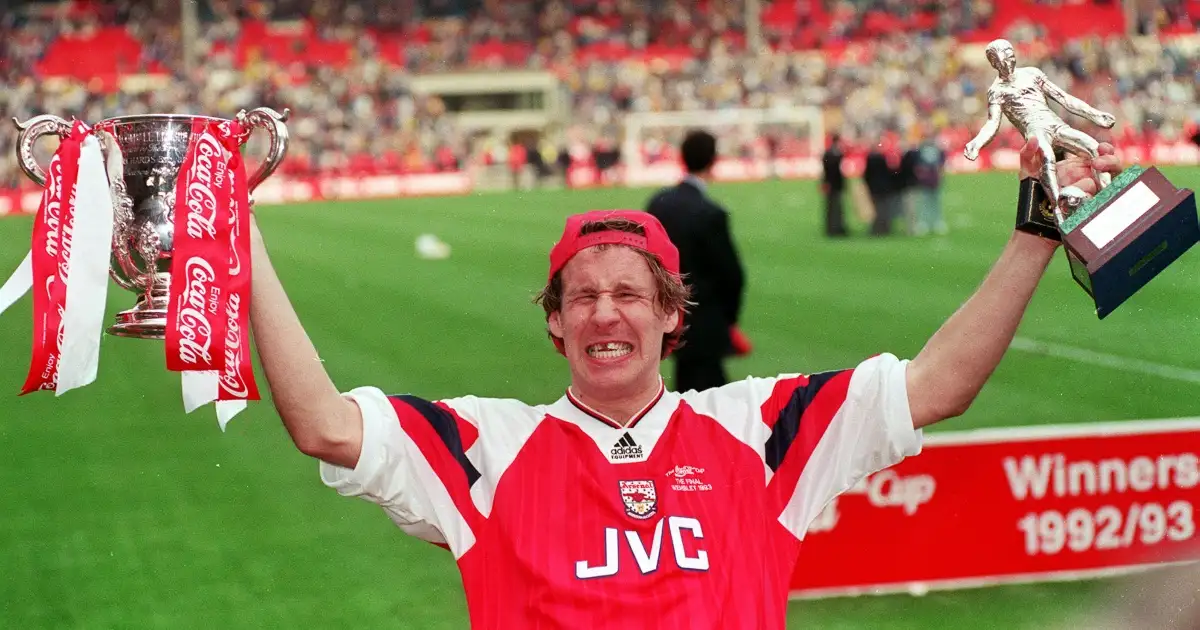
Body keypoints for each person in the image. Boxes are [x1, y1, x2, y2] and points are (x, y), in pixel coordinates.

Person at [246, 138, 1123, 630]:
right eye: (581, 296)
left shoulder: (763, 427)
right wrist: (238, 232)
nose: (604, 314)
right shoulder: (483, 445)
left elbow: (938, 386)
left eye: (630, 293)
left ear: (672, 317)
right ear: (554, 321)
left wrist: (1035, 237)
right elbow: (323, 424)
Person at [645, 130, 748, 392]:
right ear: (713, 161)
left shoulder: (660, 203)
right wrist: (728, 320)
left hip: (668, 311)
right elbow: (732, 275)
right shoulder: (710, 213)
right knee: (709, 396)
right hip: (705, 317)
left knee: (689, 385)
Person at [964, 38, 1117, 204]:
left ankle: (1107, 197)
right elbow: (992, 123)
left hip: (1055, 123)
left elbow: (1063, 98)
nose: (1007, 63)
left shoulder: (1032, 73)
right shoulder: (997, 91)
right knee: (1047, 159)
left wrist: (1095, 115)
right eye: (1002, 60)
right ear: (994, 63)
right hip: (1035, 132)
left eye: (1010, 57)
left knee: (1094, 147)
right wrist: (977, 143)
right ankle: (1059, 210)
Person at [821, 133, 849, 237]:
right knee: (833, 206)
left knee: (835, 207)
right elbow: (829, 170)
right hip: (833, 184)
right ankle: (833, 228)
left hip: (834, 184)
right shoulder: (832, 154)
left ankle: (836, 227)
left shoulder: (832, 153)